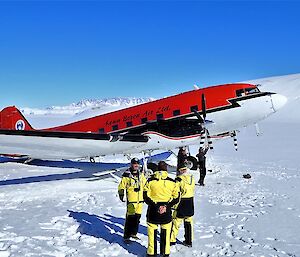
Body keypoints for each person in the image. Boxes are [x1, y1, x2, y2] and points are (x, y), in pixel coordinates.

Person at [143, 161, 180, 257]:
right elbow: (177, 197)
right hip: (166, 211)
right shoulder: (172, 182)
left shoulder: (150, 181)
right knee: (166, 232)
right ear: (166, 169)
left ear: (157, 169)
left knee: (152, 232)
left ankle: (151, 253)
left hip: (153, 210)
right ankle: (165, 252)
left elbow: (145, 196)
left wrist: (155, 205)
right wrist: (167, 206)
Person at [118, 157, 147, 242]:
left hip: (140, 201)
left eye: (137, 164)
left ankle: (134, 233)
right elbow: (121, 186)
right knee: (130, 218)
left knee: (137, 218)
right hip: (131, 201)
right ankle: (126, 236)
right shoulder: (127, 175)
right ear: (131, 164)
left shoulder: (141, 175)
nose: (136, 165)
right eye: (134, 164)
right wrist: (121, 194)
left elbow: (145, 185)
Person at [170, 164, 195, 247]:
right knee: (188, 222)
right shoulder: (192, 178)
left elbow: (175, 192)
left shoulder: (178, 180)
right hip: (190, 201)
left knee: (176, 222)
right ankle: (189, 241)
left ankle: (172, 239)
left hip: (182, 202)